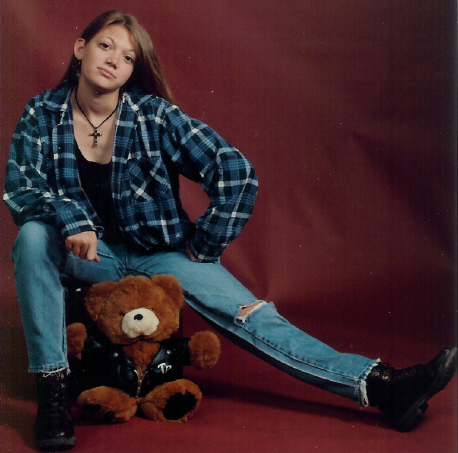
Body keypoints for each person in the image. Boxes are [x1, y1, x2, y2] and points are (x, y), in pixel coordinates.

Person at [3, 10, 456, 452]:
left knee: (253, 315)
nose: (113, 60)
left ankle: (380, 386)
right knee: (34, 237)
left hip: (159, 255)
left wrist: (204, 244)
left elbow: (235, 173)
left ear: (133, 71)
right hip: (92, 257)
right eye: (105, 45)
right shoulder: (42, 113)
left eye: (127, 57)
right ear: (80, 48)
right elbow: (22, 188)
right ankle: (52, 394)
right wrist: (72, 218)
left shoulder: (153, 116)